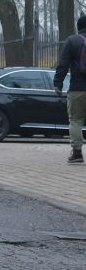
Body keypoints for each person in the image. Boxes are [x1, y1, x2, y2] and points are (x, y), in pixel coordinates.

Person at [54, 14, 86, 164]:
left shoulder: (72, 41)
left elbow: (63, 65)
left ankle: (77, 153)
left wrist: (57, 83)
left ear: (78, 27)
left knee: (76, 120)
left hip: (77, 88)